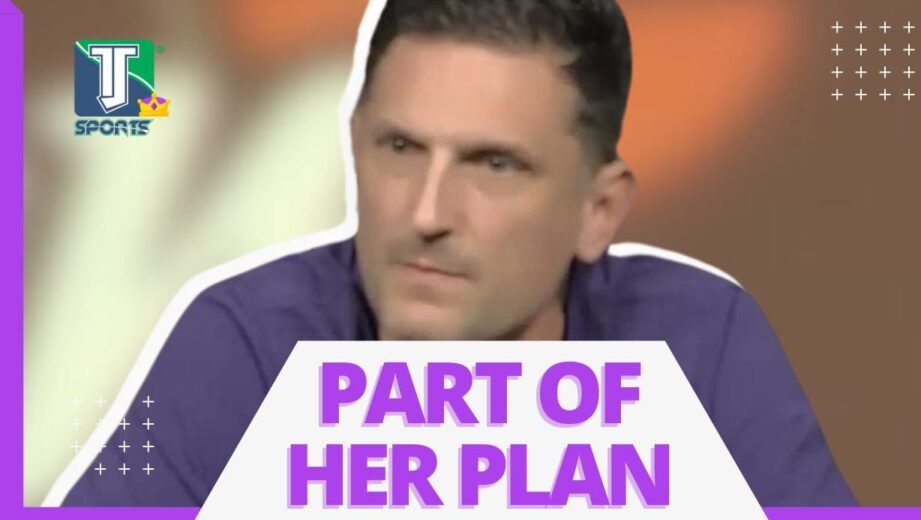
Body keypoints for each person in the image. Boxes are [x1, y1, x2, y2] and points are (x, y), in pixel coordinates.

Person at [62, 0, 856, 507]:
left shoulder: (699, 339)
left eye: (495, 164)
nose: (426, 214)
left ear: (598, 211)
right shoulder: (244, 338)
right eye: (400, 148)